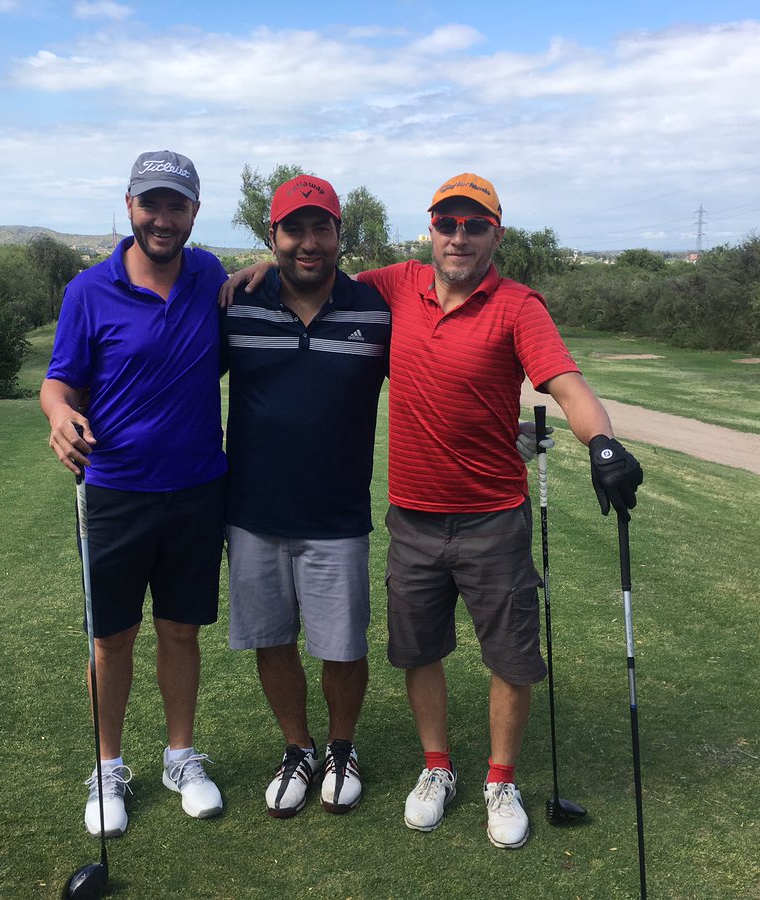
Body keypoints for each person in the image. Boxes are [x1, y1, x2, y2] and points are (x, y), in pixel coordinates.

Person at [351, 172, 644, 848]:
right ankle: (436, 768)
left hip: (492, 518)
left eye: (473, 225)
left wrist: (602, 444)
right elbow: (311, 278)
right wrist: (243, 275)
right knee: (418, 651)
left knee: (510, 658)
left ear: (495, 234)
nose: (458, 237)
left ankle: (501, 779)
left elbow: (566, 386)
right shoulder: (395, 285)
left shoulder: (518, 306)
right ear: (430, 230)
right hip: (413, 518)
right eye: (447, 224)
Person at [40, 150, 228, 839]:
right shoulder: (89, 290)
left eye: (176, 206)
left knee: (181, 631)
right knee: (111, 638)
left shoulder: (210, 274)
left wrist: (263, 268)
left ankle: (181, 757)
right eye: (152, 204)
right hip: (115, 490)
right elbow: (58, 382)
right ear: (130, 207)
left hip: (198, 490)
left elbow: (249, 287)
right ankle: (108, 766)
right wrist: (60, 417)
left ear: (194, 214)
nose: (163, 218)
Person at [220, 175, 391, 817]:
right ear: (273, 236)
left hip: (338, 516)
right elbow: (174, 374)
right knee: (272, 640)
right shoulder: (238, 305)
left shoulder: (375, 311)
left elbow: (436, 378)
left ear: (341, 234)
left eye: (322, 228)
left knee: (343, 646)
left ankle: (342, 746)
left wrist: (496, 425)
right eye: (294, 229)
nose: (308, 242)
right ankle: (298, 747)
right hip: (252, 513)